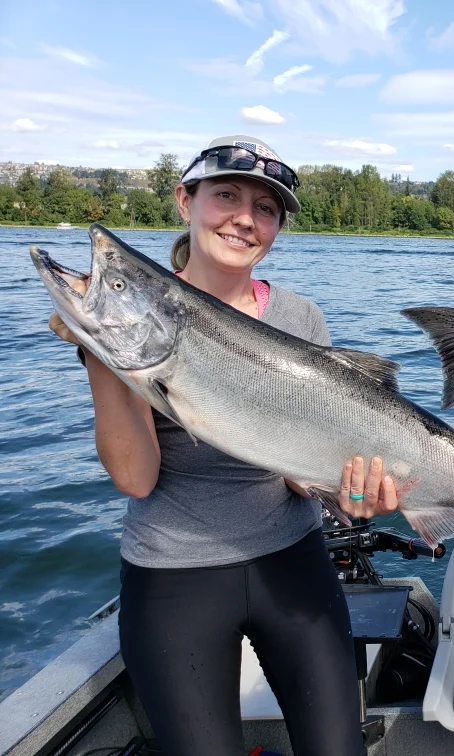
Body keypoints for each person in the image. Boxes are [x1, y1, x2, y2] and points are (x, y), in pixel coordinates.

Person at [48, 135, 397, 756]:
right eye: (226, 195)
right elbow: (136, 479)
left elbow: (297, 472)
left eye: (266, 208)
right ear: (186, 201)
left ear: (278, 228)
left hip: (292, 559)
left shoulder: (300, 317)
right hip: (173, 574)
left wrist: (346, 492)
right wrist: (99, 356)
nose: (244, 218)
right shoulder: (148, 318)